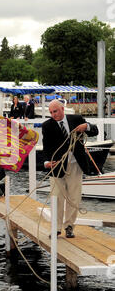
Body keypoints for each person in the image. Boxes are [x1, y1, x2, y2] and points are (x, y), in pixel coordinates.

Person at [42, 99, 99, 238]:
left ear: (62, 109)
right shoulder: (47, 126)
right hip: (57, 166)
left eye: (55, 111)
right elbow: (46, 147)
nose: (53, 115)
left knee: (74, 198)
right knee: (56, 198)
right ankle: (56, 229)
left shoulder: (76, 119)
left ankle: (69, 227)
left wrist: (87, 126)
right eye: (50, 112)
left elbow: (95, 131)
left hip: (75, 165)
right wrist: (46, 162)